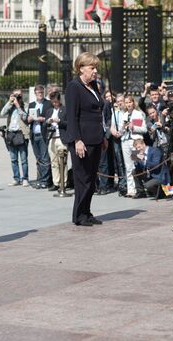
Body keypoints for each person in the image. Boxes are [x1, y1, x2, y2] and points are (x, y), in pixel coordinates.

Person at [65, 52, 107, 226]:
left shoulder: (94, 86)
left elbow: (98, 112)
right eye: (92, 68)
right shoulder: (74, 87)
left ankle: (87, 211)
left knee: (91, 178)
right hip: (82, 140)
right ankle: (79, 215)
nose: (95, 71)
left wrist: (103, 136)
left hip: (96, 138)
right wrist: (77, 140)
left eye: (96, 67)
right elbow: (72, 116)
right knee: (82, 179)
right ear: (81, 68)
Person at [0, 88, 30, 187]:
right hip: (11, 134)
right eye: (15, 95)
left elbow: (25, 117)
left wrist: (18, 106)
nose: (17, 97)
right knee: (13, 159)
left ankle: (25, 178)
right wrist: (9, 102)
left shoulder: (25, 105)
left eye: (19, 95)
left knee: (23, 159)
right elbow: (2, 113)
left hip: (21, 133)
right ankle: (16, 178)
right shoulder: (10, 105)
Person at [120, 95, 148, 197]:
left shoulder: (138, 114)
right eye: (126, 103)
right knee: (128, 166)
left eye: (130, 102)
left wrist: (133, 127)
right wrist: (123, 128)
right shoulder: (124, 115)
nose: (128, 104)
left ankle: (139, 188)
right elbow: (121, 131)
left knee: (136, 165)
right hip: (125, 141)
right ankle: (130, 189)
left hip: (135, 141)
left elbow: (144, 129)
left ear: (133, 103)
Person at [28, 85, 53, 189]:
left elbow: (51, 116)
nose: (40, 94)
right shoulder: (31, 105)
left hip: (43, 133)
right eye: (38, 92)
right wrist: (29, 119)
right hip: (34, 134)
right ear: (35, 93)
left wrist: (43, 118)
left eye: (41, 92)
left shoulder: (48, 103)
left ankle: (45, 181)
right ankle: (39, 179)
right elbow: (27, 119)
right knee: (38, 158)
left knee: (44, 158)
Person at [45, 91, 68, 191]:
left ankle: (63, 183)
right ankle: (56, 182)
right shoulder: (49, 111)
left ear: (59, 100)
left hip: (61, 138)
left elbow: (69, 123)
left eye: (56, 101)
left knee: (62, 162)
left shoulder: (65, 110)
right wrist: (48, 121)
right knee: (54, 162)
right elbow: (45, 124)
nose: (54, 103)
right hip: (52, 138)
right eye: (52, 102)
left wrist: (59, 121)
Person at [110, 93, 127, 196]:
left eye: (122, 101)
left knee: (126, 162)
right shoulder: (115, 113)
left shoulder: (127, 113)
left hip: (125, 138)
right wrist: (114, 132)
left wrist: (120, 132)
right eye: (118, 101)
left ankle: (127, 182)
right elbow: (112, 126)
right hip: (116, 139)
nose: (120, 103)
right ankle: (122, 183)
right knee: (119, 162)